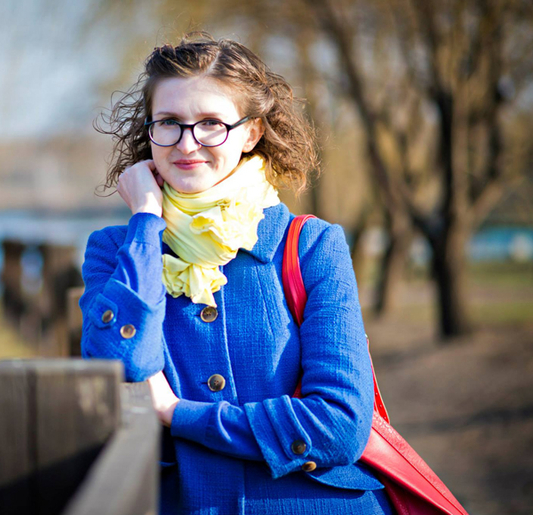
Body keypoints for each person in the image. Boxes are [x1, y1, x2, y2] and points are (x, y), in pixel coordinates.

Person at [79, 32, 394, 515]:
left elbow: (339, 427)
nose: (187, 143)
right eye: (169, 122)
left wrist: (178, 414)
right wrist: (145, 219)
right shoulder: (117, 250)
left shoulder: (312, 246)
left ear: (251, 132)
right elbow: (119, 362)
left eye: (211, 123)